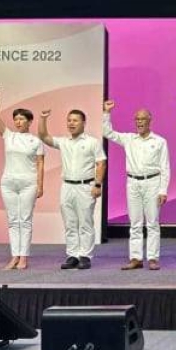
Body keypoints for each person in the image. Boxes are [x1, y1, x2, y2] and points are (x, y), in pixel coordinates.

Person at [103, 101, 170, 271]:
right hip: (132, 182)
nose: (139, 122)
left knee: (153, 222)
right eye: (137, 119)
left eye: (143, 119)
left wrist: (163, 190)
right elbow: (107, 132)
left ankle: (153, 258)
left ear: (150, 120)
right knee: (135, 223)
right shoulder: (129, 139)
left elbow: (165, 167)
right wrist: (106, 113)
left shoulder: (160, 141)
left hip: (153, 182)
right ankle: (136, 258)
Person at [38, 108, 106, 270]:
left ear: (84, 123)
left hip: (86, 186)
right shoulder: (64, 141)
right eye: (69, 120)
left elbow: (101, 163)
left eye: (75, 120)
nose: (71, 123)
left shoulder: (92, 142)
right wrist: (42, 118)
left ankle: (85, 255)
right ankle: (73, 255)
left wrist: (97, 184)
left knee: (85, 222)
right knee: (70, 222)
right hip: (67, 186)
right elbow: (44, 136)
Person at [0, 89, 45, 270]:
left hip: (28, 182)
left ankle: (24, 257)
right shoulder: (9, 136)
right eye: (16, 119)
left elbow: (40, 164)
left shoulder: (35, 141)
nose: (18, 122)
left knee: (25, 220)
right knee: (13, 220)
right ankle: (14, 256)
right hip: (9, 183)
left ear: (29, 121)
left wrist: (40, 186)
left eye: (22, 119)